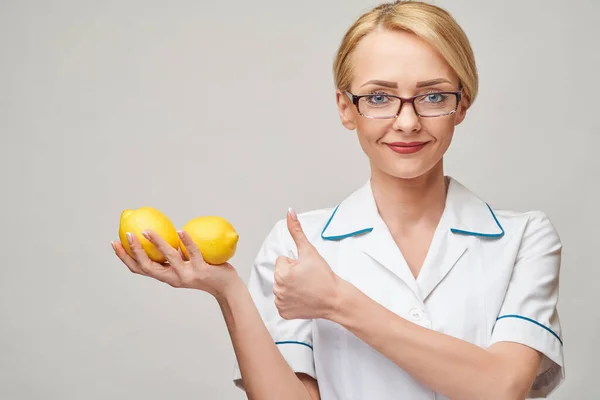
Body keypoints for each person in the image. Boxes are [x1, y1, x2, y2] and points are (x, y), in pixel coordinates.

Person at [112, 1, 564, 399]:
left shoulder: (524, 238)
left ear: (462, 104)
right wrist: (228, 290)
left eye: (432, 96)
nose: (406, 122)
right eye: (379, 97)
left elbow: (500, 387)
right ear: (346, 108)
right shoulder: (298, 245)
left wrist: (336, 301)